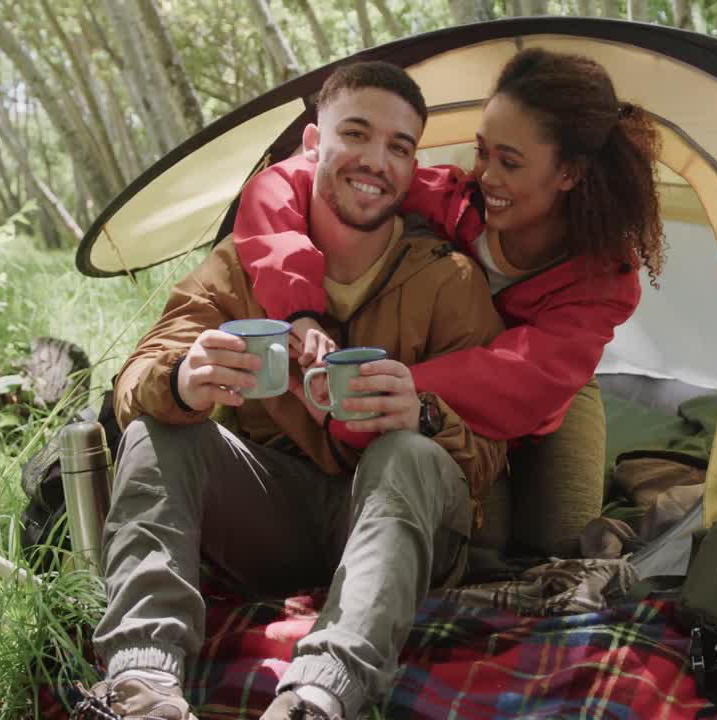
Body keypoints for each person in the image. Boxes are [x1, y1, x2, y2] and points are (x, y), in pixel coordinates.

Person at [76, 62, 506, 720]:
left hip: (400, 525)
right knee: (159, 427)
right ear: (313, 144)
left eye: (399, 147)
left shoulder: (446, 281)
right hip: (276, 514)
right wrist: (184, 382)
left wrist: (422, 415)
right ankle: (142, 683)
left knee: (408, 455)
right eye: (356, 134)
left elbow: (491, 453)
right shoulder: (242, 263)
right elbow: (137, 380)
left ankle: (319, 695)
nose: (375, 161)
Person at [234, 48, 666, 559]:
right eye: (483, 151)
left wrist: (387, 389)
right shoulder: (450, 202)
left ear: (569, 173)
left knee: (557, 547)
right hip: (447, 407)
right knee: (483, 547)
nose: (486, 174)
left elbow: (519, 381)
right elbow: (281, 182)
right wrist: (299, 308)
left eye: (509, 162)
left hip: (547, 400)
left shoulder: (604, 280)